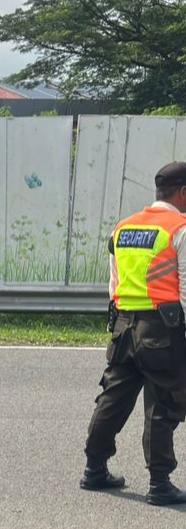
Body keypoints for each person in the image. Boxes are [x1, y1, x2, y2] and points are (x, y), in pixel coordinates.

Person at [81, 161, 186, 506]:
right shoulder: (180, 228)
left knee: (113, 398)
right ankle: (159, 483)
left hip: (123, 326)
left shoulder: (123, 228)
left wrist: (119, 314)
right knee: (162, 403)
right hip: (163, 329)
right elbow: (184, 288)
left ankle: (94, 468)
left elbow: (113, 282)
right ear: (183, 193)